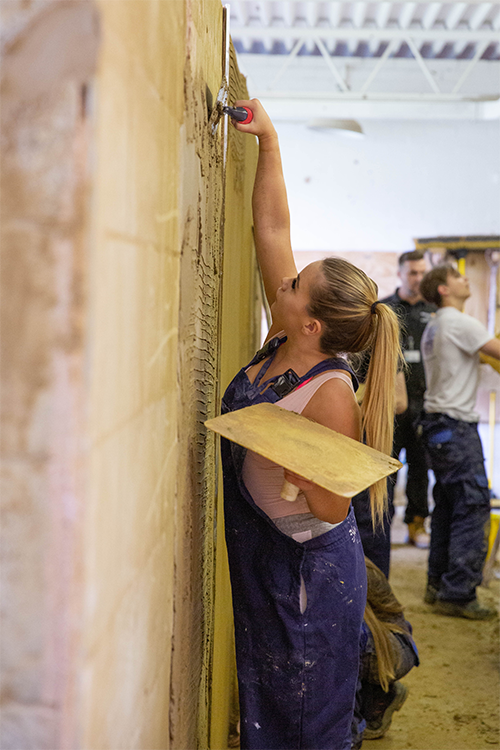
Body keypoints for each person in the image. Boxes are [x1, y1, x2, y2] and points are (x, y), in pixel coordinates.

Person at [220, 98, 403, 750]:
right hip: (271, 558)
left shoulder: (330, 394)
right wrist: (267, 137)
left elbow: (329, 502)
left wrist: (284, 451)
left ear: (313, 324)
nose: (285, 280)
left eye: (295, 283)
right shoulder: (282, 332)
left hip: (308, 577)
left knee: (306, 724)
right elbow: (271, 229)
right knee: (272, 709)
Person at [418, 264, 500, 620]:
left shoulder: (436, 325)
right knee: (473, 505)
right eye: (457, 277)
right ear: (443, 290)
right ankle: (459, 593)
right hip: (457, 428)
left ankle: (438, 584)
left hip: (437, 426)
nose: (466, 279)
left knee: (449, 507)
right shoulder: (460, 322)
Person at [381, 250, 436, 548]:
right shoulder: (385, 309)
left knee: (420, 468)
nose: (417, 278)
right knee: (386, 468)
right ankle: (381, 530)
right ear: (400, 273)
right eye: (412, 272)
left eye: (422, 273)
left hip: (425, 405)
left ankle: (416, 527)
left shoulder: (435, 311)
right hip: (389, 406)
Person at [351, 558, 419, 748]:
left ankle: (351, 734)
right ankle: (375, 697)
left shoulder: (344, 560)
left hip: (395, 647)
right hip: (380, 644)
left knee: (339, 637)